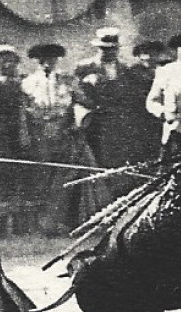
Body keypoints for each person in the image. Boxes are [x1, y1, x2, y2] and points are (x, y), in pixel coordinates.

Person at [20, 42, 105, 230]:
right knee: (44, 178)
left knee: (64, 178)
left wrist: (79, 121)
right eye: (42, 60)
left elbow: (85, 102)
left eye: (51, 60)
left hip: (65, 134)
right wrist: (26, 137)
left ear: (56, 60)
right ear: (37, 62)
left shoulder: (68, 81)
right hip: (41, 135)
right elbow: (23, 115)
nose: (47, 64)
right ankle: (44, 223)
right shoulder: (27, 83)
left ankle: (62, 221)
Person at [74, 27, 159, 189]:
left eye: (113, 49)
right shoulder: (84, 67)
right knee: (96, 163)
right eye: (105, 49)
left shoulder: (124, 68)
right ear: (98, 48)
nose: (109, 53)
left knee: (118, 162)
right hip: (96, 123)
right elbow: (78, 96)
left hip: (118, 124)